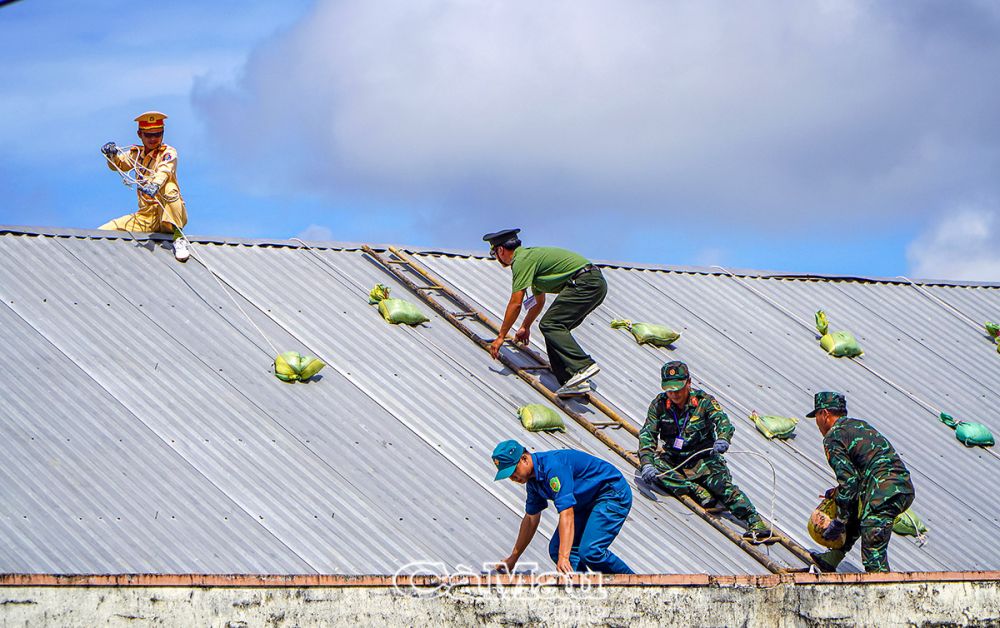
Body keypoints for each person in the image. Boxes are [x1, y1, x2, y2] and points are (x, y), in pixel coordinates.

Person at [638, 361, 770, 540]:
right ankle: (695, 489)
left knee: (723, 487)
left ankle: (753, 520)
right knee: (653, 471)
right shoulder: (659, 405)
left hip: (704, 459)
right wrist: (646, 463)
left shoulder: (704, 401)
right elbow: (648, 435)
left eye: (678, 389)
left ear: (689, 383)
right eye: (670, 390)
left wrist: (723, 439)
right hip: (675, 460)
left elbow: (723, 422)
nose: (674, 394)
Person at [482, 229, 606, 397]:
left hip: (585, 282)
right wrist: (525, 326)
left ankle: (582, 365)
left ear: (500, 250)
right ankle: (571, 379)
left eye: (494, 253)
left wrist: (501, 336)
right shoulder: (531, 261)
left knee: (550, 324)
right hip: (593, 283)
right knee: (553, 329)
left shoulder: (521, 261)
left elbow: (516, 303)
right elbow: (538, 301)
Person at [807, 391, 914, 573]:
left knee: (873, 550)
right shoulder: (858, 426)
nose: (817, 423)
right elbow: (856, 480)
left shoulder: (833, 437)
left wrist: (839, 521)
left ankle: (884, 591)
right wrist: (838, 494)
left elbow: (849, 483)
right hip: (898, 486)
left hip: (882, 491)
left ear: (825, 414)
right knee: (856, 511)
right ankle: (832, 557)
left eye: (817, 415)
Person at [492, 440, 634, 574]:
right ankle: (586, 589)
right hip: (585, 502)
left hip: (611, 493)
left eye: (513, 471)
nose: (512, 478)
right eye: (508, 476)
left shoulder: (553, 467)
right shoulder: (533, 483)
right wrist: (514, 558)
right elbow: (531, 519)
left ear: (524, 459)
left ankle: (640, 585)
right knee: (556, 549)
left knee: (591, 551)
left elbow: (567, 513)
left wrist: (564, 557)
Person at [99, 111, 190, 262]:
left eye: (157, 134)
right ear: (140, 134)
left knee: (169, 188)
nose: (153, 139)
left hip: (166, 214)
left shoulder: (168, 153)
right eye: (148, 135)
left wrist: (155, 185)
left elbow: (165, 170)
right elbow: (119, 164)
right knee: (104, 232)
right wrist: (111, 155)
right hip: (145, 217)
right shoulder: (136, 154)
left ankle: (178, 237)